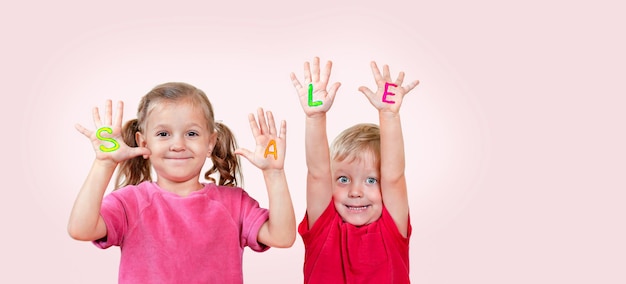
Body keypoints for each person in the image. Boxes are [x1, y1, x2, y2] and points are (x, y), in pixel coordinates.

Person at [68, 82, 296, 283]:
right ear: (142, 141)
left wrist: (274, 174)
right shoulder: (130, 202)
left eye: (192, 134)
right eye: (164, 134)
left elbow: (282, 237)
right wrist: (104, 163)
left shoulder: (234, 203)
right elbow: (80, 229)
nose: (178, 144)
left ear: (210, 142)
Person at [290, 57, 419, 283]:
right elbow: (318, 173)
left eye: (371, 180)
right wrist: (315, 117)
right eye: (343, 179)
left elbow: (394, 176)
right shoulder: (324, 225)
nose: (355, 192)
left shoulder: (392, 228)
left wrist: (389, 115)